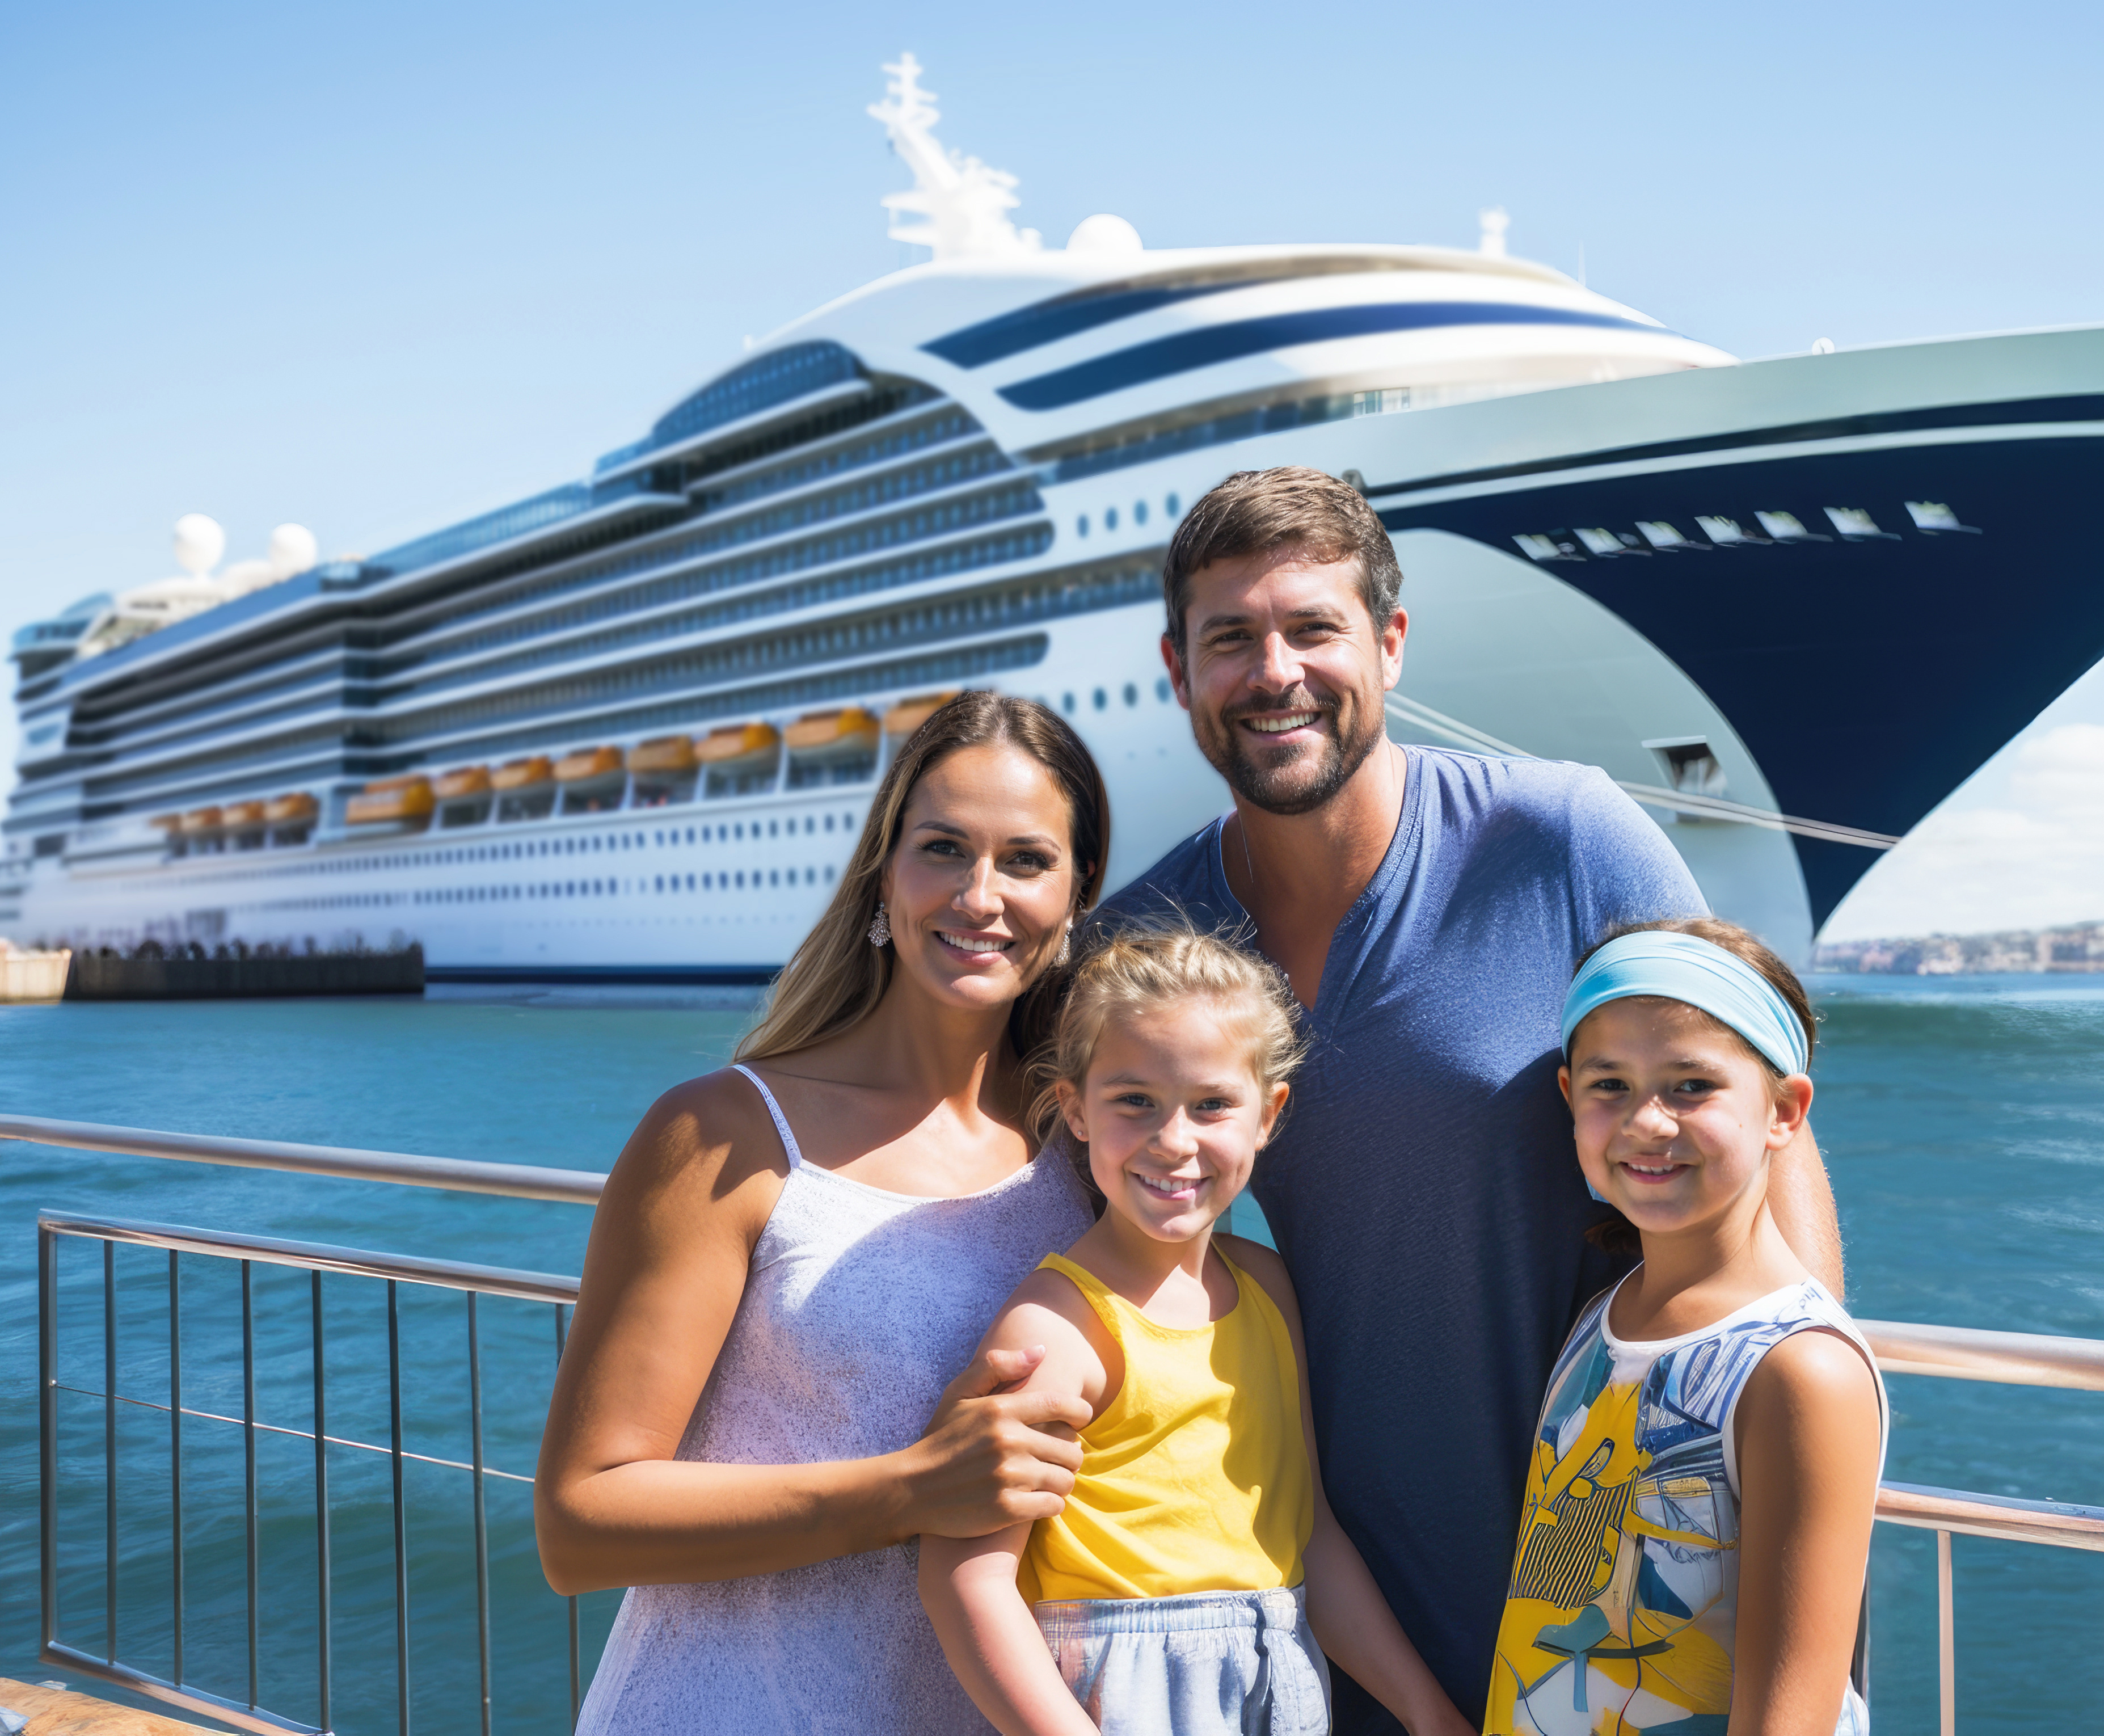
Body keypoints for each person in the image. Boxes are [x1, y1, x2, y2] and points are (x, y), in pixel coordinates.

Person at [1094, 466, 1845, 1726]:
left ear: (1388, 642)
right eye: (1231, 639)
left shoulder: (1559, 835)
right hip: (1336, 1598)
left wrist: (1790, 1445)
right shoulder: (1154, 943)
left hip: (1637, 1567)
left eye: (1313, 629)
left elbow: (1760, 1131)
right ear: (1180, 672)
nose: (1273, 671)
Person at [538, 692, 1115, 1734]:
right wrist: (907, 1491)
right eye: (943, 849)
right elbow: (582, 1522)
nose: (981, 896)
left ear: (1079, 894)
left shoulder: (1088, 1155)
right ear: (882, 877)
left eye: (1026, 860)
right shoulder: (726, 1134)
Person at [921, 926, 1473, 1736]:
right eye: (1134, 1101)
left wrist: (1425, 1713)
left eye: (1212, 1104)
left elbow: (1308, 1533)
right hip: (1125, 1699)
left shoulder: (1269, 1288)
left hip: (1280, 1681)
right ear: (1075, 1108)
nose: (1174, 1140)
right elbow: (965, 1579)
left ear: (1268, 1115)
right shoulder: (1061, 1327)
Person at [1489, 918, 1883, 1735]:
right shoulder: (1604, 1319)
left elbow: (1789, 1718)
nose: (1647, 1123)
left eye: (1691, 1086)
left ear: (1784, 1109)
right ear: (1570, 1099)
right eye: (1611, 1086)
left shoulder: (1800, 1370)